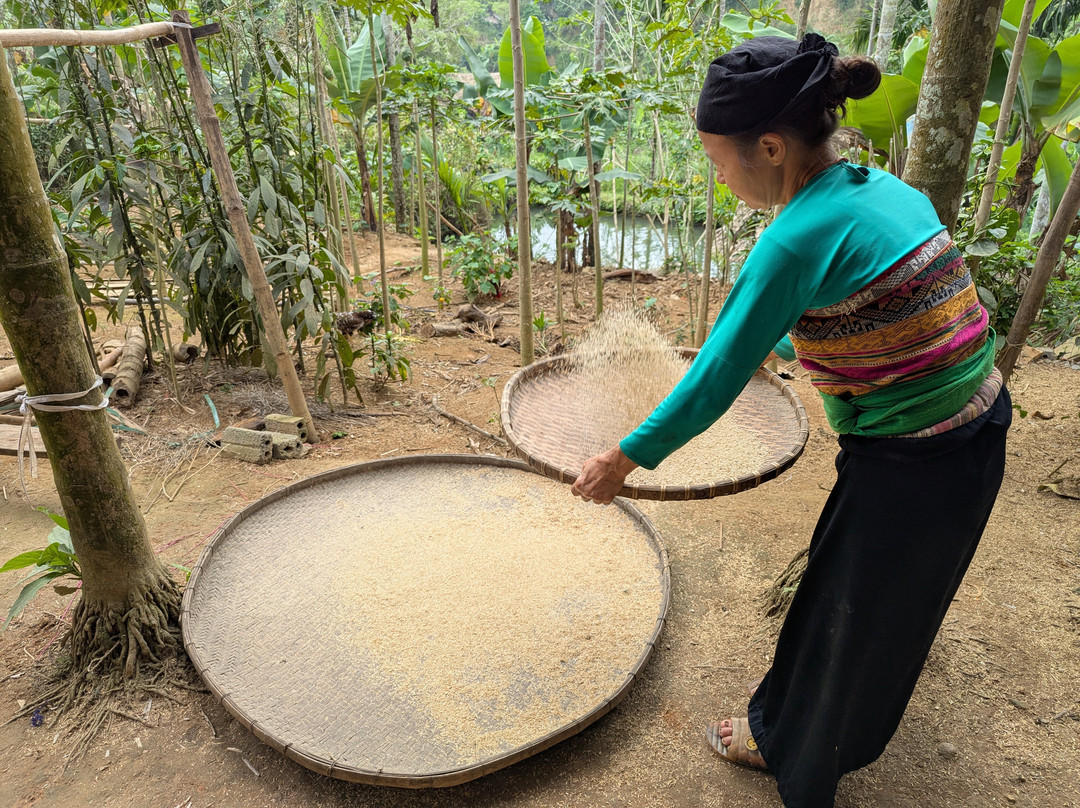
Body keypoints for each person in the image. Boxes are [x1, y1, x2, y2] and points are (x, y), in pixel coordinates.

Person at [569, 33, 1011, 808]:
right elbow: (862, 301)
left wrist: (622, 459)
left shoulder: (790, 239)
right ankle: (835, 726)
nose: (719, 177)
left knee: (839, 618)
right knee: (891, 608)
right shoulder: (884, 189)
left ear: (769, 147)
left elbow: (709, 385)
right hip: (981, 428)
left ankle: (788, 747)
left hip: (913, 463)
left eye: (718, 161)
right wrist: (773, 340)